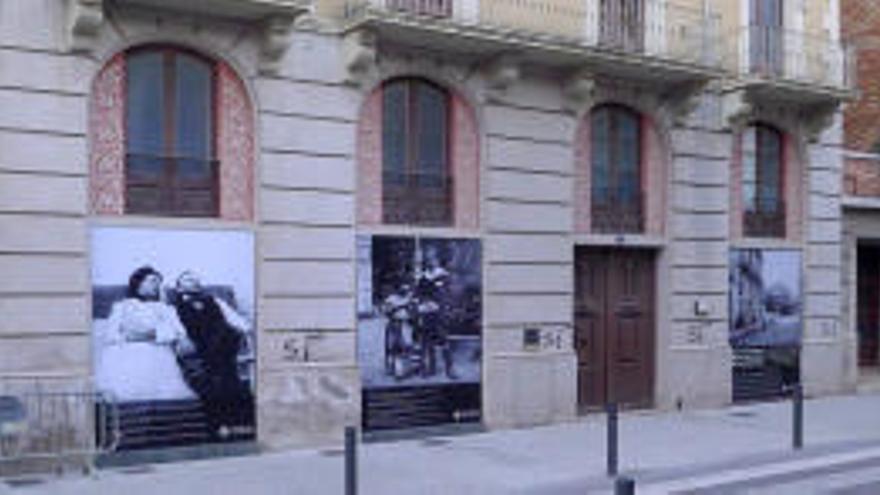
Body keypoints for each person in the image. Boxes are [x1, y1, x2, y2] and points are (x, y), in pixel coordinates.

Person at [95, 266, 196, 403]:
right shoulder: (121, 307)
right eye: (152, 281)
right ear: (138, 283)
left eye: (158, 283)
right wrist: (130, 337)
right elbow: (110, 335)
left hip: (156, 350)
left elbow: (178, 332)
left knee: (154, 359)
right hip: (125, 351)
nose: (156, 285)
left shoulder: (166, 309)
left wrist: (151, 334)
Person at [172, 271, 254, 440]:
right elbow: (174, 328)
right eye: (187, 280)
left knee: (223, 373)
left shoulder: (214, 300)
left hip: (222, 344)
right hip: (199, 344)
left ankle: (237, 425)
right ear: (178, 287)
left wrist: (245, 330)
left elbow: (235, 320)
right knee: (223, 378)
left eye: (196, 280)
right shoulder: (171, 306)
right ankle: (225, 425)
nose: (193, 282)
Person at [414, 247, 457, 379]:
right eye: (428, 259)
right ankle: (430, 368)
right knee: (426, 341)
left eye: (433, 258)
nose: (430, 261)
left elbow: (449, 294)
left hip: (440, 313)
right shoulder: (423, 277)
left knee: (444, 340)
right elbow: (418, 294)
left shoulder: (444, 275)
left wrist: (445, 306)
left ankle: (450, 369)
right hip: (427, 312)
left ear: (437, 259)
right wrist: (422, 303)